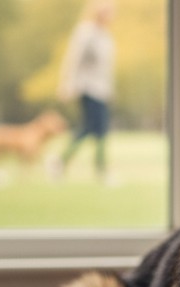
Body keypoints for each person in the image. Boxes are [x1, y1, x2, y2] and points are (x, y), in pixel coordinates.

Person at [51, 0, 115, 184]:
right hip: (88, 89)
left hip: (102, 90)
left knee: (97, 129)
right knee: (94, 128)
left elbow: (106, 68)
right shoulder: (86, 32)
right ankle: (96, 169)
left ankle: (62, 162)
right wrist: (66, 85)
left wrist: (110, 89)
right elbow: (74, 59)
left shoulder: (105, 35)